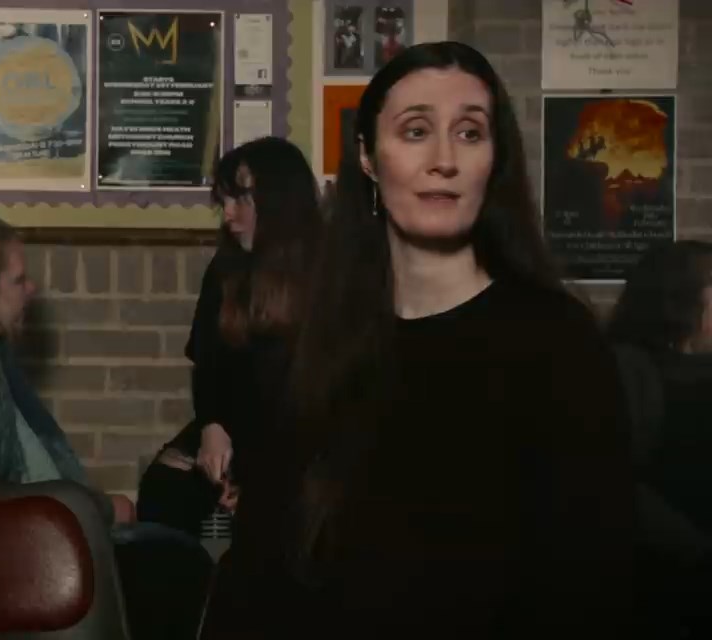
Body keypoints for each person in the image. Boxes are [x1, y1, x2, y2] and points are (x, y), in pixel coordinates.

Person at [201, 41, 634, 638]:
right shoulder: (318, 344)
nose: (444, 159)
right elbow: (264, 565)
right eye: (415, 131)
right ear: (368, 158)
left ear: (494, 161)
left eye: (470, 133)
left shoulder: (558, 343)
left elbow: (591, 581)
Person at [0, 212, 212, 639]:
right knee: (173, 570)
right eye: (19, 280)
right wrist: (95, 510)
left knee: (171, 558)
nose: (31, 289)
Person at [136, 137, 321, 537]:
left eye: (241, 200)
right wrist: (212, 427)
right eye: (224, 202)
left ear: (279, 202)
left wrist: (256, 474)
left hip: (300, 440)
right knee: (163, 488)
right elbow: (208, 364)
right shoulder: (228, 266)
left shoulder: (329, 273)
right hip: (233, 425)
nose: (228, 216)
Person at [607, 240, 712, 638]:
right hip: (664, 585)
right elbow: (616, 480)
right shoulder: (628, 368)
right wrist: (697, 552)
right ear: (679, 298)